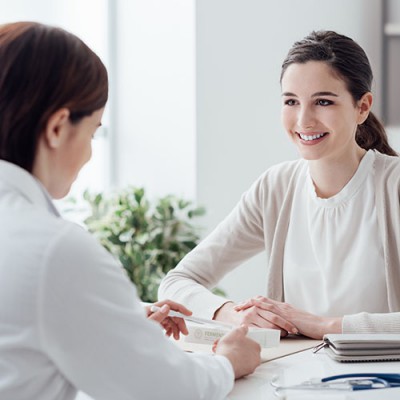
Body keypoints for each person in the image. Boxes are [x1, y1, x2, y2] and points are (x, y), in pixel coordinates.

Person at [0, 21, 261, 400]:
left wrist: (111, 317)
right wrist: (228, 362)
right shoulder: (53, 250)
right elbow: (165, 389)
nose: (90, 153)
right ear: (58, 128)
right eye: (92, 132)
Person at [159, 30, 400, 340]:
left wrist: (327, 326)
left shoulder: (392, 186)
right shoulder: (276, 187)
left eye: (323, 101)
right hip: (295, 381)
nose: (303, 120)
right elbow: (178, 280)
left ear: (362, 107)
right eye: (291, 101)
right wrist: (234, 313)